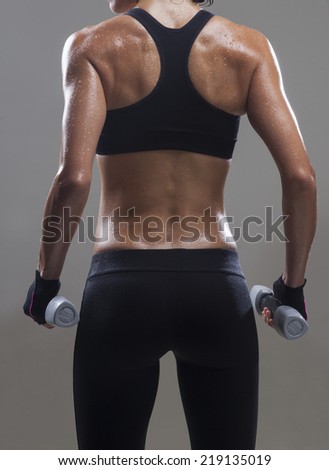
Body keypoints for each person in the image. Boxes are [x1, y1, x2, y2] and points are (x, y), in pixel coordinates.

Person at [23, 0, 316, 450]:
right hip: (216, 289)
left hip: (123, 290)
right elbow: (301, 179)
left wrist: (45, 281)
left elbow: (73, 180)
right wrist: (292, 287)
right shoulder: (248, 47)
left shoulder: (92, 44)